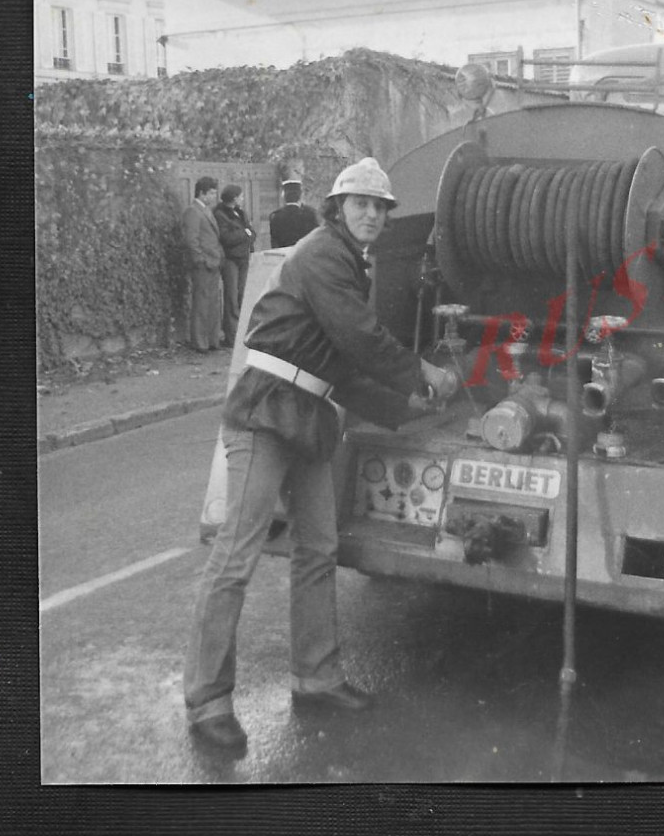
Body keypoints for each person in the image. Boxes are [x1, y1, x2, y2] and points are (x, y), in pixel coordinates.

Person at [183, 157, 460, 756]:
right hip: (264, 410)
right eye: (359, 203)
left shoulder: (348, 262)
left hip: (307, 415)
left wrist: (410, 407)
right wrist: (425, 372)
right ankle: (207, 701)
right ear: (337, 207)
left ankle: (317, 678)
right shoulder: (323, 255)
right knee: (236, 555)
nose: (370, 214)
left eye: (379, 207)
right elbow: (361, 339)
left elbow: (341, 367)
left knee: (319, 548)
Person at [182, 176, 225, 351]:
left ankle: (212, 340)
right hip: (204, 265)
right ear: (202, 193)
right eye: (212, 193)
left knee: (213, 304)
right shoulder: (192, 211)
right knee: (201, 303)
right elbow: (191, 240)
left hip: (213, 263)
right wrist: (201, 260)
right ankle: (200, 342)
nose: (215, 196)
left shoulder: (206, 210)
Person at [214, 184, 256, 344]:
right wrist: (244, 233)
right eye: (241, 196)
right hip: (230, 259)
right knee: (231, 296)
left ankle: (242, 333)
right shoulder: (220, 214)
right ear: (233, 198)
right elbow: (227, 238)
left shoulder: (240, 212)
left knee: (242, 295)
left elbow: (253, 233)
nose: (243, 198)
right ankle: (231, 335)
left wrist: (245, 234)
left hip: (244, 258)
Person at [268, 177, 320, 249]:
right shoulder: (310, 214)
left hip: (284, 257)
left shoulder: (275, 217)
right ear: (300, 195)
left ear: (284, 196)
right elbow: (315, 239)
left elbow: (275, 244)